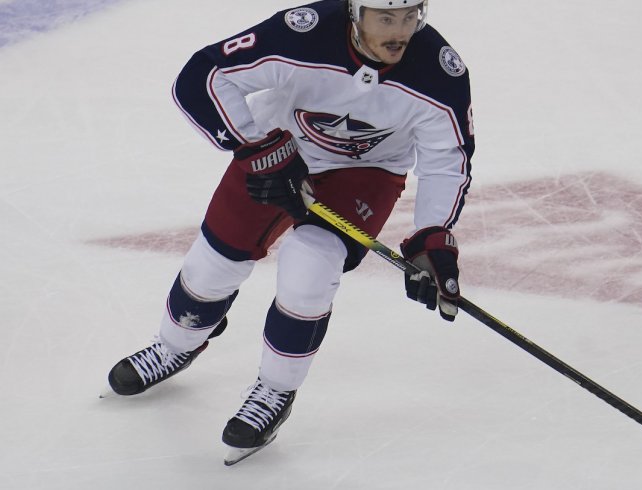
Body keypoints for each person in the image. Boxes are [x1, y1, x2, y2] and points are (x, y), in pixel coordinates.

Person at [106, 0, 474, 463]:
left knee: (309, 269)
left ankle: (275, 391)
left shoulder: (441, 72)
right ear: (355, 12)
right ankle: (175, 346)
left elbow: (447, 161)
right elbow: (204, 75)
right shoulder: (303, 32)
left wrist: (432, 238)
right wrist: (254, 145)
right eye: (386, 17)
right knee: (213, 265)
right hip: (276, 151)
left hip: (367, 174)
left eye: (410, 16)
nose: (400, 30)